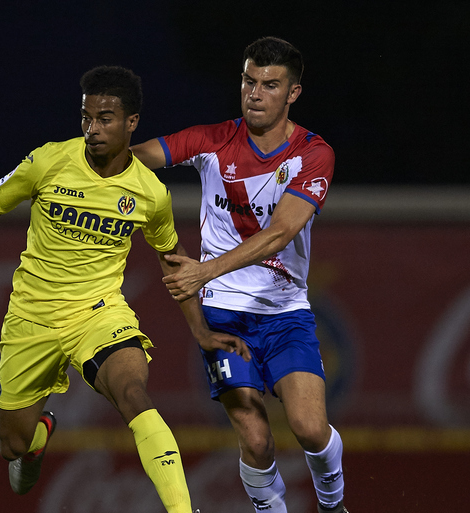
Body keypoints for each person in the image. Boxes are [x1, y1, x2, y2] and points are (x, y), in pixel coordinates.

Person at [0, 65, 250, 513]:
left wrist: (201, 331)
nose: (93, 129)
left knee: (133, 393)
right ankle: (37, 437)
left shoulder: (149, 194)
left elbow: (173, 260)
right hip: (32, 317)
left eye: (105, 119)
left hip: (99, 313)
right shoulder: (49, 161)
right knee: (12, 446)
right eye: (87, 118)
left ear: (132, 123)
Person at [131, 37, 347, 513]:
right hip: (224, 315)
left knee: (310, 429)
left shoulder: (313, 154)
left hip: (285, 312)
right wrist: (85, 165)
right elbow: (135, 158)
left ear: (293, 94)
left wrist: (203, 270)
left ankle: (333, 507)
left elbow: (281, 232)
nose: (255, 93)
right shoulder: (210, 140)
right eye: (249, 81)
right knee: (256, 441)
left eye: (270, 85)